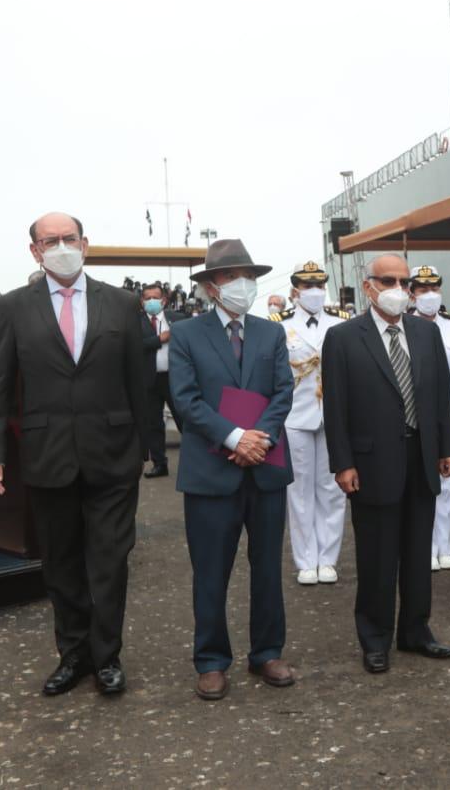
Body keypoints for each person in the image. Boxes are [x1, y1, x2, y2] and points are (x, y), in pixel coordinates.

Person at [0, 212, 146, 696]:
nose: (61, 246)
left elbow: (139, 381)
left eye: (69, 238)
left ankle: (107, 656)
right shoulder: (13, 308)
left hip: (113, 455)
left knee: (110, 561)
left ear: (85, 243)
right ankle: (75, 655)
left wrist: (146, 448)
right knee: (62, 562)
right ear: (35, 252)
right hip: (48, 454)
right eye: (50, 241)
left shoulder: (122, 303)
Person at [168, 239, 296, 700]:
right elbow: (185, 400)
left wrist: (257, 438)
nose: (244, 284)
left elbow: (283, 391)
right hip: (211, 472)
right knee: (210, 570)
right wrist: (233, 437)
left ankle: (267, 653)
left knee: (267, 568)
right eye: (231, 276)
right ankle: (211, 660)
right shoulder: (186, 334)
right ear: (211, 286)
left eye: (249, 276)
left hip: (264, 468)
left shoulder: (270, 333)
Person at [322, 254, 450, 673]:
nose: (400, 289)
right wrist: (342, 463)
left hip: (420, 456)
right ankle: (375, 637)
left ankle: (416, 630)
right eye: (389, 281)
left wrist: (446, 445)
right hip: (371, 461)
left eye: (405, 281)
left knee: (418, 554)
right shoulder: (344, 337)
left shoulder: (424, 333)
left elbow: (439, 394)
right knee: (377, 557)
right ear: (369, 287)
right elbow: (337, 408)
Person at [279, 261, 349, 586]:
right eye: (307, 287)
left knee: (332, 488)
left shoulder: (341, 323)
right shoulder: (280, 327)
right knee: (300, 490)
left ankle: (328, 559)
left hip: (334, 414)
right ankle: (306, 559)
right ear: (295, 291)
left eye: (319, 285)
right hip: (296, 415)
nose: (315, 292)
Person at [408, 265, 450, 571]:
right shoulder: (405, 327)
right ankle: (425, 548)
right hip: (419, 421)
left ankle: (445, 546)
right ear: (411, 293)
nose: (429, 295)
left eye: (434, 289)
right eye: (422, 290)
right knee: (422, 487)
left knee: (448, 487)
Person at [139, 281, 187, 479]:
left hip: (174, 378)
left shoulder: (178, 319)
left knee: (184, 420)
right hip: (149, 380)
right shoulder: (134, 321)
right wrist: (160, 339)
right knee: (154, 424)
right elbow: (135, 345)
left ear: (164, 300)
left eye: (155, 298)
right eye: (147, 298)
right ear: (142, 301)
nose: (151, 301)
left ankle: (197, 460)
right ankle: (159, 464)